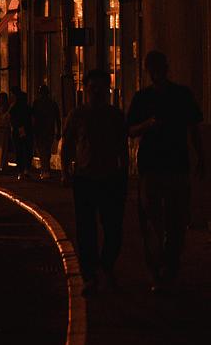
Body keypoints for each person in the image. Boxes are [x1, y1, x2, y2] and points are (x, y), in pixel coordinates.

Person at [127, 49, 205, 293]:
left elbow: (194, 127)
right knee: (157, 219)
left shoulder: (179, 95)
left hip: (170, 165)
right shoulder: (146, 97)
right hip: (155, 166)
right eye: (153, 69)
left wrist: (201, 156)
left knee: (173, 219)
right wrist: (148, 124)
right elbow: (130, 130)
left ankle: (166, 267)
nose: (155, 73)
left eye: (158, 68)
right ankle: (162, 268)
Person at [61, 68, 129, 295]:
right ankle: (89, 275)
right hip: (85, 178)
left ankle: (107, 264)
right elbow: (67, 144)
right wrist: (65, 171)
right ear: (86, 90)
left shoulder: (115, 115)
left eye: (101, 88)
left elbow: (123, 147)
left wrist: (124, 173)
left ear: (107, 89)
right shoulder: (77, 115)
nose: (97, 92)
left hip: (111, 178)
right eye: (93, 88)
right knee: (86, 229)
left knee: (113, 228)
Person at [32, 83, 61, 179]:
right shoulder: (52, 104)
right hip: (48, 130)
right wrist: (58, 131)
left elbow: (32, 117)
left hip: (40, 130)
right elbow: (58, 119)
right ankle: (46, 169)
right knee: (46, 150)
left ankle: (45, 169)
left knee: (42, 150)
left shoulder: (37, 103)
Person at [10, 89, 33, 179]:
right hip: (26, 130)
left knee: (19, 151)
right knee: (27, 150)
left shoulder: (14, 107)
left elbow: (12, 120)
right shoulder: (27, 107)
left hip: (18, 131)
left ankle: (21, 171)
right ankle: (26, 169)